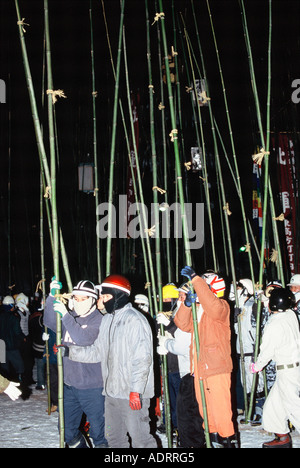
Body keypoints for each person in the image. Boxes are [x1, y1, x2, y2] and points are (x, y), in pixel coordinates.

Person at [68, 274, 157, 449]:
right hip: (111, 394)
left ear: (119, 296)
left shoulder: (135, 320)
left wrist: (136, 390)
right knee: (114, 439)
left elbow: (142, 359)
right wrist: (69, 351)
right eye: (102, 296)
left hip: (132, 394)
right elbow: (97, 352)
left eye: (106, 296)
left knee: (141, 441)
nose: (102, 300)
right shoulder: (108, 319)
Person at [175, 266, 237, 448]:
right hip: (200, 368)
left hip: (216, 367)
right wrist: (187, 305)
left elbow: (213, 306)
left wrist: (195, 279)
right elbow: (182, 324)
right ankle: (213, 439)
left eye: (203, 286)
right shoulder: (199, 309)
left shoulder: (222, 306)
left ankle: (228, 441)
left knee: (221, 411)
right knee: (206, 411)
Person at [44, 278, 108, 448]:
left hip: (93, 388)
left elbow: (83, 339)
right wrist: (51, 298)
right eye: (76, 299)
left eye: (84, 299)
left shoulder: (100, 320)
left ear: (93, 300)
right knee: (67, 431)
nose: (79, 303)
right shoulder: (70, 317)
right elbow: (49, 322)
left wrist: (65, 316)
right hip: (70, 386)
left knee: (99, 433)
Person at [250, 288, 300, 448]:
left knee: (294, 408)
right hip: (291, 368)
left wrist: (257, 366)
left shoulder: (275, 324)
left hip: (287, 371)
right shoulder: (290, 315)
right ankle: (282, 438)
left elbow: (267, 351)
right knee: (273, 406)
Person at [158, 282, 205, 448]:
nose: (180, 298)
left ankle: (190, 442)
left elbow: (183, 342)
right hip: (180, 366)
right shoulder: (182, 310)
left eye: (183, 295)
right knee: (181, 405)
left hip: (187, 369)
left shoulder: (194, 312)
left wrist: (167, 343)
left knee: (187, 411)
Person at [231, 278, 265, 425]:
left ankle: (259, 410)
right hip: (243, 352)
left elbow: (257, 327)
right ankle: (250, 409)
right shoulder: (241, 307)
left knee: (256, 383)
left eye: (239, 288)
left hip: (252, 350)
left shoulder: (252, 306)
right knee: (246, 383)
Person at [156, 283, 181, 433]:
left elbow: (182, 331)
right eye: (162, 299)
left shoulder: (180, 313)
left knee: (179, 398)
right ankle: (168, 422)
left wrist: (169, 324)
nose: (165, 302)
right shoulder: (159, 315)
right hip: (166, 365)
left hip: (179, 364)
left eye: (168, 299)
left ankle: (179, 424)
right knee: (168, 397)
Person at [0, 296, 25, 382]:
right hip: (12, 346)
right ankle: (19, 380)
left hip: (2, 346)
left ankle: (4, 383)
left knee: (4, 367)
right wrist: (23, 338)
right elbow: (17, 332)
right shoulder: (14, 318)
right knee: (19, 365)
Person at [15, 293, 34, 385]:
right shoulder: (16, 314)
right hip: (20, 340)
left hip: (27, 339)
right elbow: (16, 328)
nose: (28, 303)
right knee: (21, 360)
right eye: (26, 301)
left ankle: (28, 378)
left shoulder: (26, 312)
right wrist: (22, 337)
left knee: (29, 361)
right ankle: (22, 378)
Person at [29, 301, 46, 390]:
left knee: (40, 366)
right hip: (44, 346)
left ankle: (41, 383)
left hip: (38, 346)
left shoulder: (35, 318)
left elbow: (32, 332)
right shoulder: (48, 319)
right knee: (47, 366)